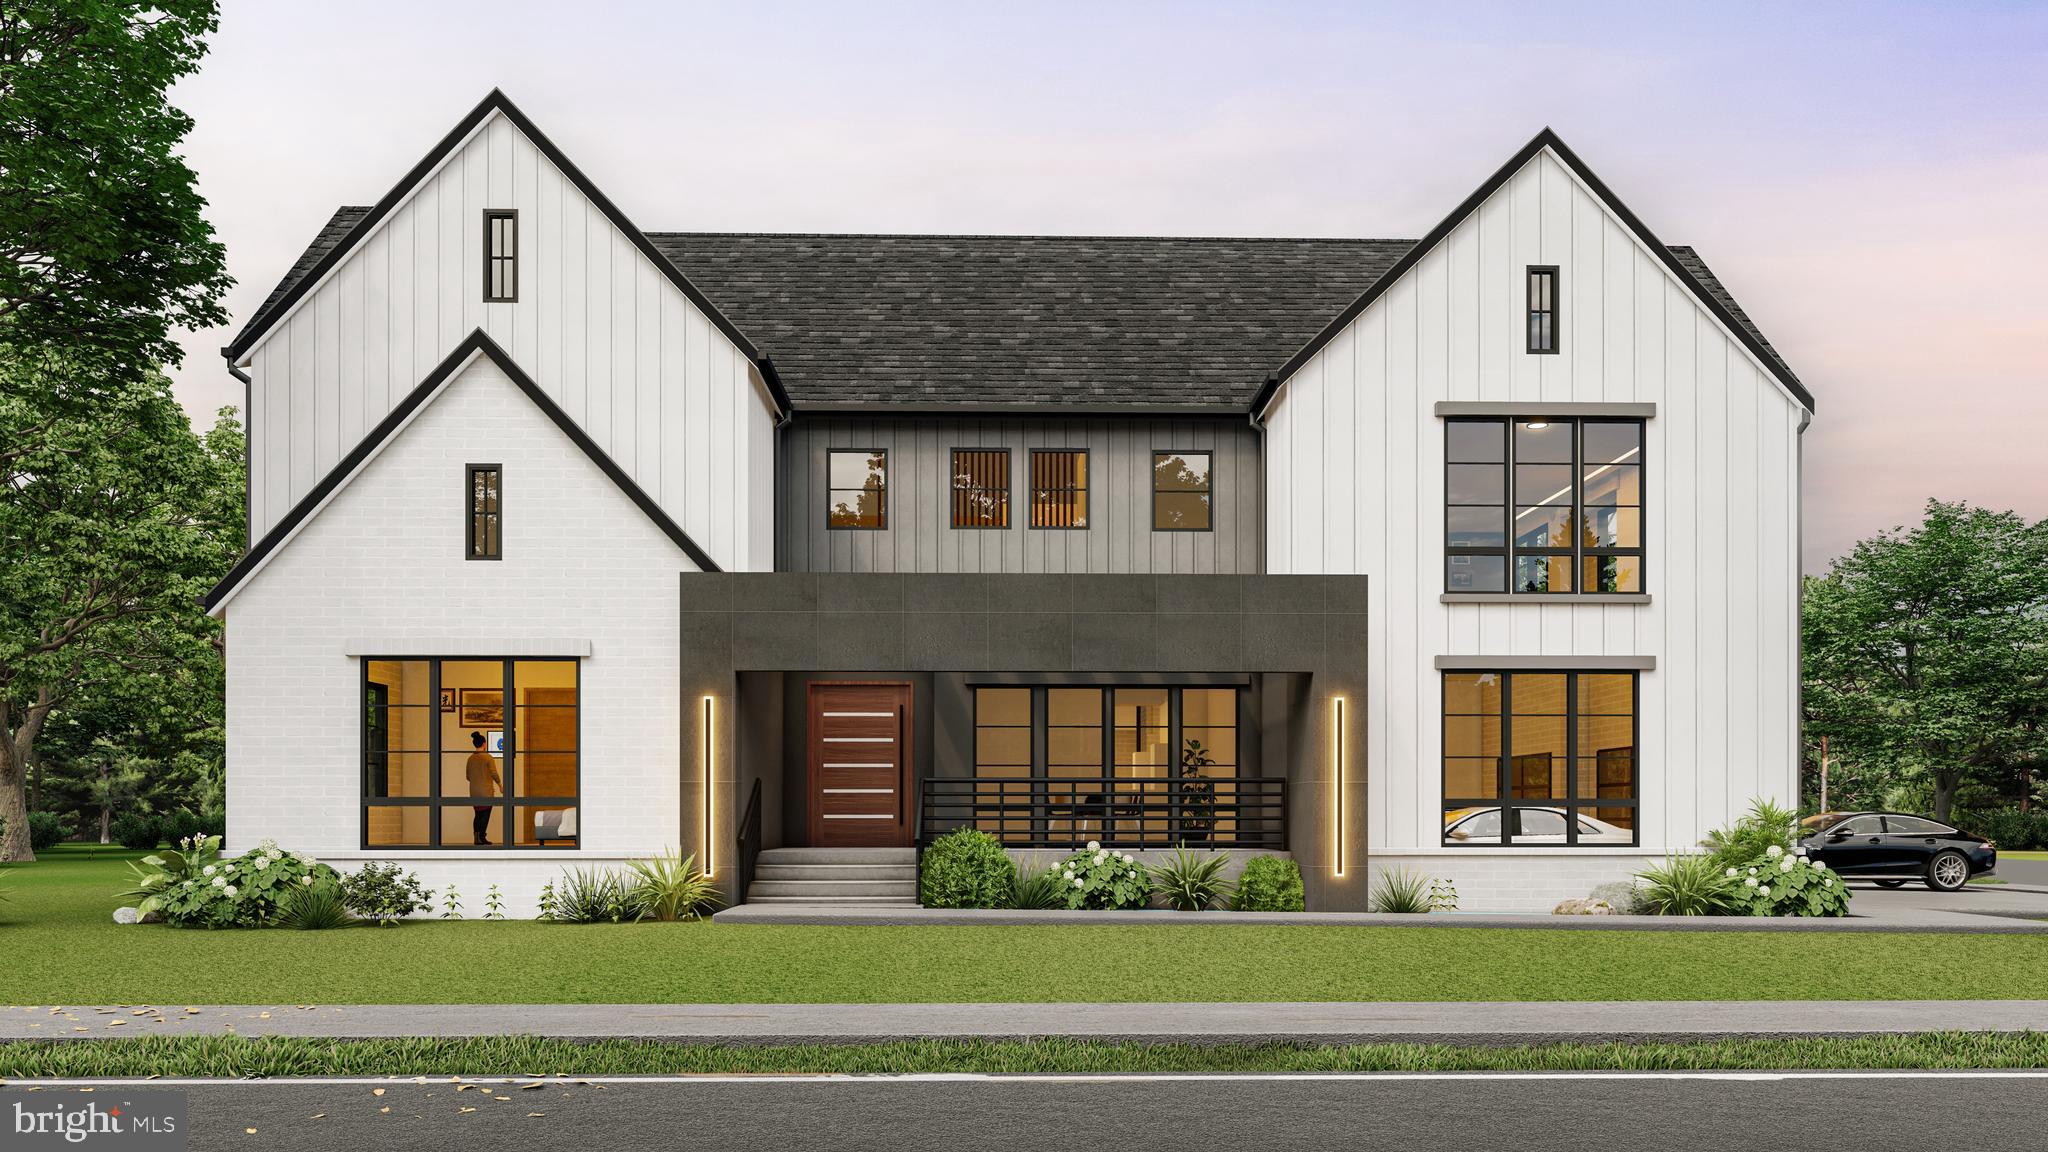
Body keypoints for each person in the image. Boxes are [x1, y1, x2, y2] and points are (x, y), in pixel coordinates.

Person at [465, 730, 500, 845]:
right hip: (486, 792)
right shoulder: (488, 758)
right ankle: (481, 837)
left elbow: (468, 777)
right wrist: (500, 784)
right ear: (484, 744)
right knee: (485, 815)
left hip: (474, 792)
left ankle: (477, 837)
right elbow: (494, 773)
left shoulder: (470, 758)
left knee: (478, 815)